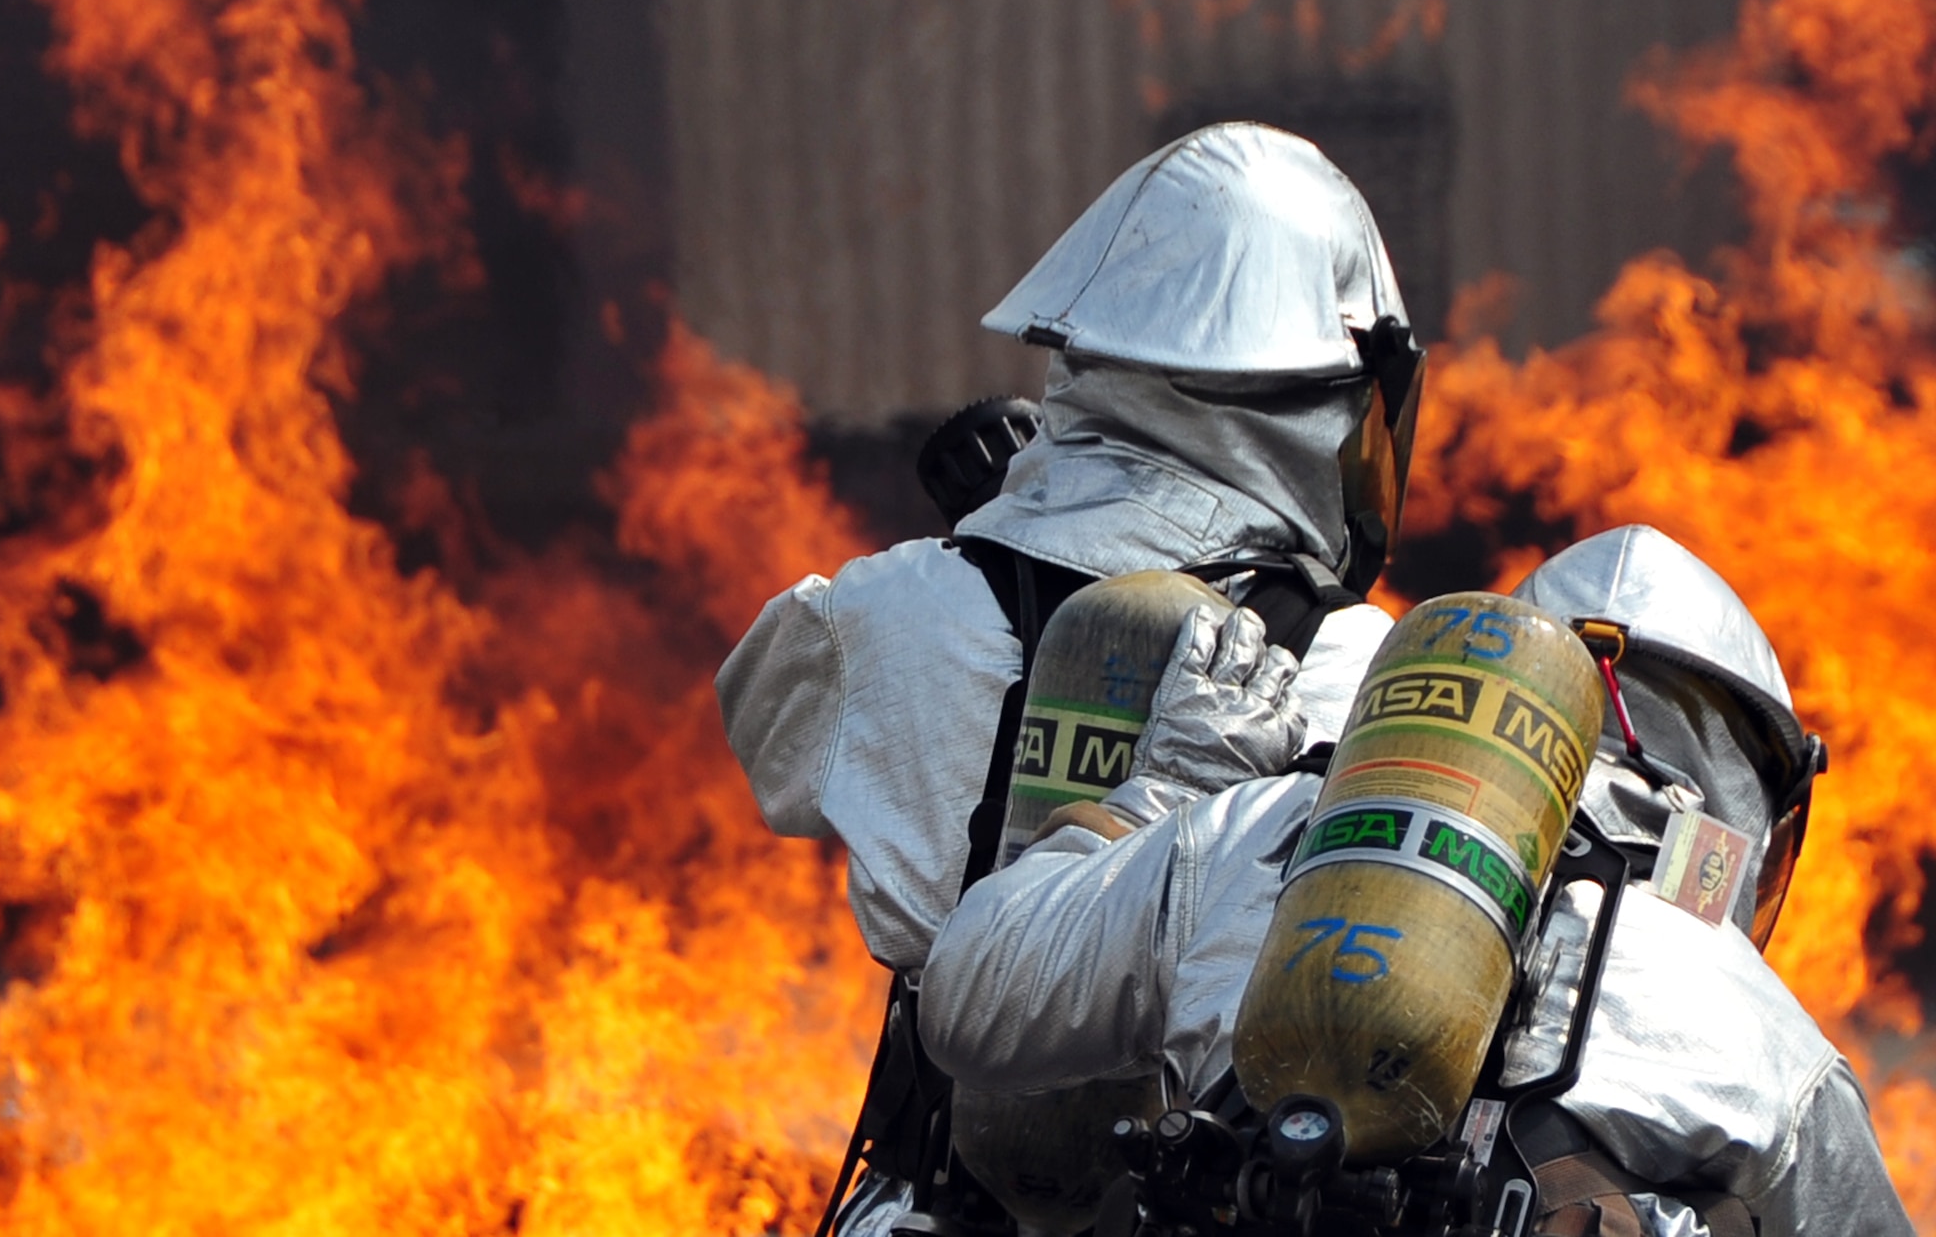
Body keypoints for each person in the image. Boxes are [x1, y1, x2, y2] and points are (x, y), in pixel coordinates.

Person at [716, 122, 1425, 1234]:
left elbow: (766, 719)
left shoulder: (885, 609)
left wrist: (999, 543)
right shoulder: (1364, 666)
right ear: (1340, 402)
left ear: (1088, 360)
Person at [918, 524, 1912, 1234]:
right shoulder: (1747, 1024)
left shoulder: (1265, 829)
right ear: (1740, 811)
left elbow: (968, 997)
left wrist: (1166, 790)